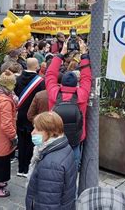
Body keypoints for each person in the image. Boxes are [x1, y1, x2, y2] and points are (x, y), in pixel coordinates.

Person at [45, 39, 91, 168]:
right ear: (76, 83)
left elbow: (50, 74)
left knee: (53, 168)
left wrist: (61, 54)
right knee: (72, 170)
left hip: (55, 138)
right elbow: (87, 77)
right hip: (75, 139)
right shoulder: (81, 94)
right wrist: (84, 55)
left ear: (61, 83)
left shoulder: (54, 93)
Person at [25, 112, 76, 210]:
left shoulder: (50, 164)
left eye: (38, 129)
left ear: (51, 132)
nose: (32, 132)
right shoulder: (64, 146)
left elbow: (47, 204)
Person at [14, 58, 45, 178]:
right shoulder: (40, 82)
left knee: (21, 142)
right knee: (32, 143)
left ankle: (20, 168)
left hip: (20, 115)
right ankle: (27, 168)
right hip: (33, 116)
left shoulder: (18, 79)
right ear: (37, 66)